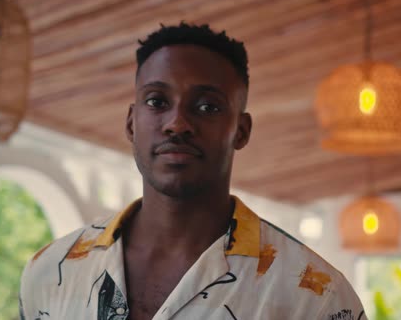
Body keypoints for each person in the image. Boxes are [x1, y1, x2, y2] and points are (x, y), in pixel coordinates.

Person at [19, 23, 367, 320]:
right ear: (131, 123)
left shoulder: (314, 296)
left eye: (207, 106)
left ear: (241, 130)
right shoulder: (51, 271)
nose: (178, 123)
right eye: (157, 101)